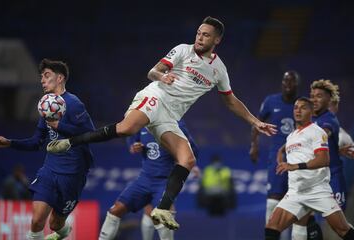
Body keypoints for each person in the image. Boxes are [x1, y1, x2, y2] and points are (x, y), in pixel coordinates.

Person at [46, 16, 277, 230]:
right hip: (155, 97)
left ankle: (163, 209)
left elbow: (231, 101)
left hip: (170, 116)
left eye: (206, 35)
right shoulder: (182, 50)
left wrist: (255, 121)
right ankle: (70, 142)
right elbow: (152, 71)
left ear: (217, 39)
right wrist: (162, 76)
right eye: (198, 33)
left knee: (187, 159)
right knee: (127, 128)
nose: (199, 37)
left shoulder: (218, 69)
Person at [0, 59, 95, 240]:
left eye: (47, 76)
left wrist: (59, 126)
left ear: (60, 78)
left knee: (55, 224)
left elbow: (91, 134)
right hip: (50, 170)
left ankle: (63, 232)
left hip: (72, 175)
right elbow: (35, 142)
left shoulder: (74, 103)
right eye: (41, 77)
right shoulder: (45, 107)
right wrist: (9, 142)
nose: (42, 80)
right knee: (36, 222)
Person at [265, 97, 354, 240]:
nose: (298, 110)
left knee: (343, 230)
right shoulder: (291, 136)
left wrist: (295, 166)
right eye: (295, 107)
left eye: (303, 107)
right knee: (272, 227)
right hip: (295, 192)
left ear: (311, 112)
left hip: (317, 191)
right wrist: (280, 157)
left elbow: (323, 159)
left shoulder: (317, 132)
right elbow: (292, 153)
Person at [99, 120, 198, 240]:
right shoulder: (141, 120)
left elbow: (192, 149)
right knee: (115, 210)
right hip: (144, 179)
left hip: (165, 180)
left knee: (161, 215)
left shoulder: (176, 124)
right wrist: (133, 145)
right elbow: (131, 137)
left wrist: (188, 163)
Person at [249, 71, 299, 224]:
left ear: (297, 85)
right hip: (278, 157)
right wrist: (254, 145)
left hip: (299, 157)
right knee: (273, 199)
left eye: (291, 81)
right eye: (285, 80)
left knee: (299, 203)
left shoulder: (302, 104)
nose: (288, 84)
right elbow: (257, 123)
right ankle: (270, 234)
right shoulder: (271, 101)